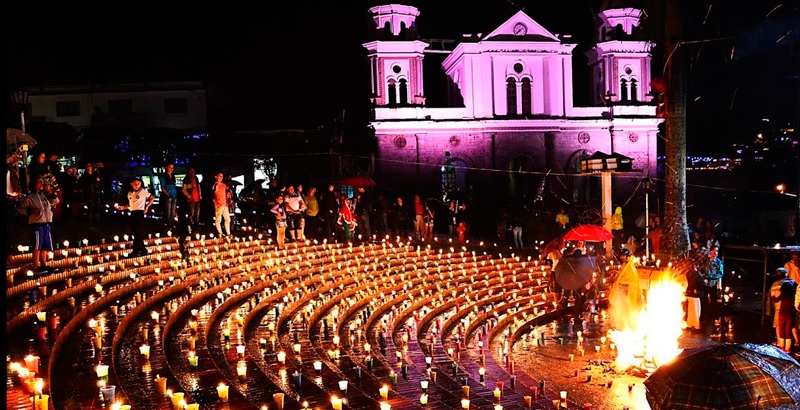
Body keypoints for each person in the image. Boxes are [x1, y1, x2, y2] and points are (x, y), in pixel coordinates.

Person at [17, 176, 59, 272]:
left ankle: (44, 264)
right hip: (37, 223)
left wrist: (50, 192)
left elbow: (56, 201)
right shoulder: (30, 197)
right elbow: (21, 209)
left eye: (43, 182)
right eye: (39, 182)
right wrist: (31, 211)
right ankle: (36, 265)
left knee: (44, 245)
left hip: (46, 223)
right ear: (34, 184)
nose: (42, 184)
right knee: (37, 245)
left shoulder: (45, 196)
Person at [116, 178, 154, 257]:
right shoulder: (130, 193)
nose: (137, 185)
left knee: (137, 232)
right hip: (133, 213)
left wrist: (146, 207)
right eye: (135, 183)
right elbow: (131, 204)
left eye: (139, 183)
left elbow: (151, 197)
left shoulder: (143, 192)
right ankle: (143, 250)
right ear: (131, 184)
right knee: (135, 232)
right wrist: (123, 207)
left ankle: (135, 251)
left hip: (139, 213)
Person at [608, 249, 642, 331]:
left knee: (628, 308)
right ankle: (622, 325)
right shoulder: (625, 265)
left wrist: (622, 284)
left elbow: (631, 279)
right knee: (621, 308)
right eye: (621, 256)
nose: (622, 257)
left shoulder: (630, 266)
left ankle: (628, 326)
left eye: (623, 256)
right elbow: (621, 275)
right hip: (622, 291)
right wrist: (616, 274)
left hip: (628, 291)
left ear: (627, 256)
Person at [769, 267, 797, 354]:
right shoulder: (793, 283)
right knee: (789, 330)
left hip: (780, 311)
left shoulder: (775, 285)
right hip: (791, 312)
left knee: (780, 329)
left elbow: (773, 299)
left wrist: (769, 310)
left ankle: (781, 347)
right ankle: (789, 348)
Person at [6, 149, 24, 266]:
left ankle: (9, 253)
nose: (18, 157)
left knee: (10, 229)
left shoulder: (12, 169)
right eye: (16, 155)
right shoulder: (7, 169)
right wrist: (13, 194)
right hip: (8, 200)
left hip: (11, 201)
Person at [685, 254, 705, 333]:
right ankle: (696, 326)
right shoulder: (694, 273)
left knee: (691, 310)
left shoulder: (688, 273)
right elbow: (700, 282)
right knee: (696, 310)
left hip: (690, 293)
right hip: (695, 294)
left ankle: (690, 324)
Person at [211, 172, 232, 237]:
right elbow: (212, 195)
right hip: (218, 204)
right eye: (219, 176)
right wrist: (215, 202)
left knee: (228, 219)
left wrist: (229, 198)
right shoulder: (215, 185)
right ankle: (220, 233)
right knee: (218, 219)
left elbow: (227, 192)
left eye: (222, 176)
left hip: (224, 204)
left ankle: (228, 233)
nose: (221, 177)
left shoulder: (224, 185)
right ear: (216, 177)